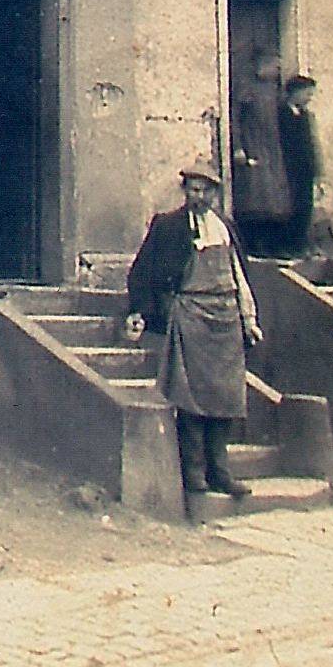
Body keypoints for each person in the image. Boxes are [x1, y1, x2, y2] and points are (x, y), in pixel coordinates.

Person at [125, 155, 262, 499]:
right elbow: (142, 272)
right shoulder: (168, 226)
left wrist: (249, 319)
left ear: (215, 194)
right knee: (190, 398)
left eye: (205, 191)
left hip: (226, 319)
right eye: (193, 189)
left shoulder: (225, 229)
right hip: (190, 315)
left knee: (227, 398)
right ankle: (195, 473)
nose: (198, 197)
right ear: (185, 190)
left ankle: (221, 472)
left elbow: (239, 278)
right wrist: (141, 310)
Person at [230, 48, 292, 257]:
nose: (277, 70)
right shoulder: (246, 87)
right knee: (256, 197)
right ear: (262, 65)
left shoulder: (275, 90)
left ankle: (273, 245)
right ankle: (254, 245)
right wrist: (238, 146)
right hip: (254, 144)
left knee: (277, 199)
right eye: (274, 66)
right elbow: (235, 118)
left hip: (274, 149)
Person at [276, 74, 325, 258]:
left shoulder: (305, 116)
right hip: (288, 169)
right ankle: (289, 246)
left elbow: (311, 145)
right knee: (290, 208)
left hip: (305, 170)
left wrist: (317, 171)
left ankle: (301, 244)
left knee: (305, 207)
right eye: (306, 93)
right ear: (294, 93)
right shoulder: (281, 115)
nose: (309, 98)